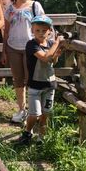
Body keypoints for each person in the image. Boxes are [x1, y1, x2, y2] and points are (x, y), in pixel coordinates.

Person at [2, 0, 45, 124]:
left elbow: (44, 26)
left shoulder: (35, 6)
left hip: (31, 49)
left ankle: (34, 112)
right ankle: (22, 110)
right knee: (18, 80)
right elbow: (6, 31)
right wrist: (4, 51)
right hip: (13, 48)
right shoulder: (10, 8)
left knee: (32, 80)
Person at [17, 16, 63, 145]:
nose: (41, 33)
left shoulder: (49, 44)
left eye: (44, 30)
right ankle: (27, 133)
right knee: (34, 114)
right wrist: (56, 43)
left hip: (49, 83)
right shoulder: (31, 44)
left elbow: (53, 60)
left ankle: (41, 138)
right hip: (35, 85)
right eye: (37, 30)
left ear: (49, 31)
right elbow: (45, 57)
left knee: (46, 113)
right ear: (32, 30)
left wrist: (56, 54)